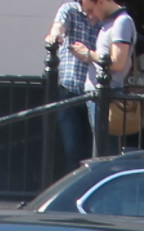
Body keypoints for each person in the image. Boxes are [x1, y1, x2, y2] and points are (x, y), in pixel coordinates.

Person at [69, 0, 136, 157]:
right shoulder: (110, 23)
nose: (90, 16)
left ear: (101, 2)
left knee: (104, 152)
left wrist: (88, 54)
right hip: (99, 95)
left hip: (107, 96)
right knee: (100, 150)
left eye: (91, 10)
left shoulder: (122, 22)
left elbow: (118, 62)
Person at [45, 1, 101, 171]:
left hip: (94, 92)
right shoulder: (70, 9)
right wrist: (55, 35)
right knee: (72, 148)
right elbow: (59, 26)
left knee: (96, 149)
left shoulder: (103, 16)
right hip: (70, 90)